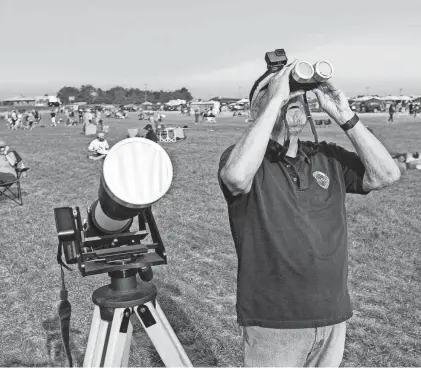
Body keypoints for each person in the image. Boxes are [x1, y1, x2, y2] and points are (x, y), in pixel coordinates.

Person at [218, 60, 401, 367]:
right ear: (256, 110)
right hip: (274, 321)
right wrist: (275, 97)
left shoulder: (327, 156)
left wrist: (346, 116)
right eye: (283, 95)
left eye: (297, 96)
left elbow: (386, 175)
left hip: (332, 314)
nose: (292, 101)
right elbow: (236, 177)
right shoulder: (244, 160)